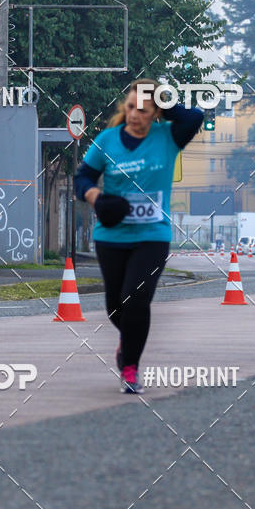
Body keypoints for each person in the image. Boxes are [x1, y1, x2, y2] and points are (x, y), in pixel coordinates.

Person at [74, 79, 204, 394]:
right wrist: (96, 198)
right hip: (112, 235)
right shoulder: (107, 140)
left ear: (155, 112)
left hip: (152, 236)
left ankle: (130, 367)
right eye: (130, 107)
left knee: (136, 300)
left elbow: (194, 117)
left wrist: (164, 99)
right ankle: (128, 339)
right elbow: (83, 177)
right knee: (115, 307)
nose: (134, 115)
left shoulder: (169, 137)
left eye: (143, 110)